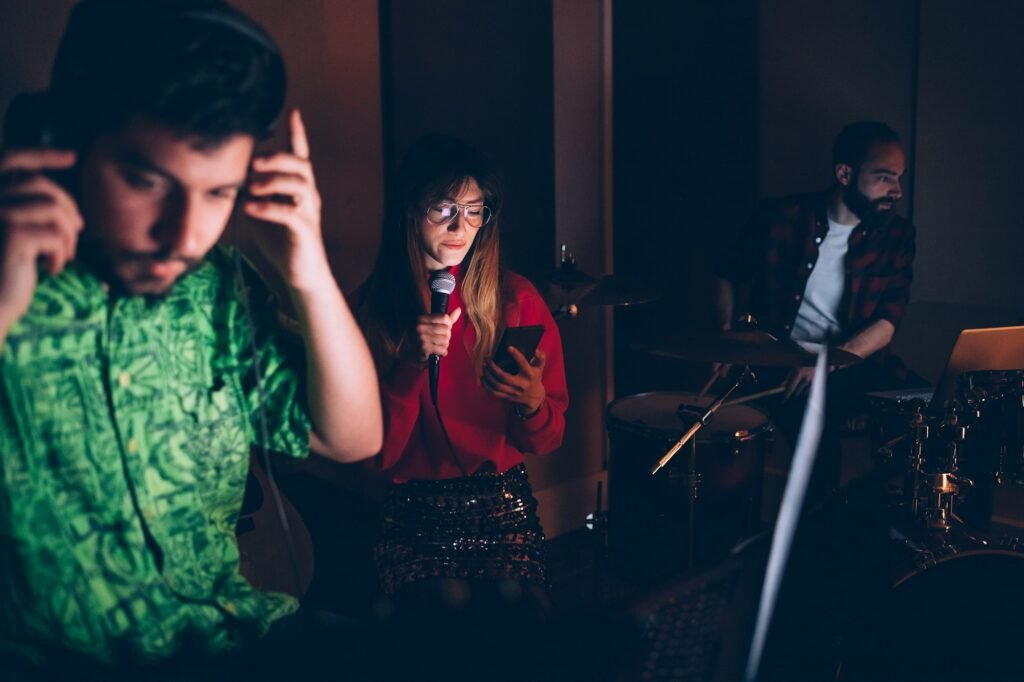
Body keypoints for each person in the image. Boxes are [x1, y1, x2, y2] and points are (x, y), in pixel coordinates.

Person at [0, 1, 381, 678]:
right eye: (146, 182)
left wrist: (309, 272)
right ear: (66, 143)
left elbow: (352, 438)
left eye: (217, 194)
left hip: (238, 647)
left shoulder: (220, 291)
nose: (183, 235)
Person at [356, 134, 568, 679]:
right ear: (411, 208)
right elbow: (375, 458)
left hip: (500, 505)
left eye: (475, 211)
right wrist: (409, 362)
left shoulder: (516, 299)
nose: (460, 228)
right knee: (435, 635)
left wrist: (533, 404)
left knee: (520, 631)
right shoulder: (375, 311)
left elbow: (547, 440)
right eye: (444, 209)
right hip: (413, 513)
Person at [714, 121, 921, 493]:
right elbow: (727, 272)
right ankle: (815, 543)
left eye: (899, 178)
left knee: (938, 413)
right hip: (781, 364)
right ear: (845, 173)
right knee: (819, 450)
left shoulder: (897, 235)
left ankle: (896, 536)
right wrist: (727, 335)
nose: (896, 191)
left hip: (852, 362)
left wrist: (828, 361)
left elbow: (887, 322)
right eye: (884, 177)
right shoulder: (781, 217)